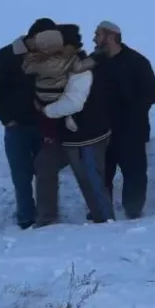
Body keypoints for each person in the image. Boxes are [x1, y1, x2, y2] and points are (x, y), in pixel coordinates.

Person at [32, 24, 116, 226]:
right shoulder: (61, 63)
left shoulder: (80, 68)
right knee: (44, 166)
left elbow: (74, 103)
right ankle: (46, 219)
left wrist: (45, 111)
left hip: (86, 137)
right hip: (65, 134)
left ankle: (106, 224)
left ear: (68, 46)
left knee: (90, 181)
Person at [0, 17, 57, 229]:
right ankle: (26, 216)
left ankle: (47, 216)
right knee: (21, 175)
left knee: (46, 173)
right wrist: (7, 119)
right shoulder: (6, 55)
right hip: (17, 128)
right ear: (32, 37)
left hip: (45, 125)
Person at [92, 20, 155, 220]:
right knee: (101, 175)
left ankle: (133, 211)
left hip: (131, 132)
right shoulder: (95, 62)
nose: (94, 38)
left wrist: (131, 112)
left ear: (111, 36)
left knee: (134, 175)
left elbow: (152, 92)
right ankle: (102, 212)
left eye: (98, 34)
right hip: (101, 132)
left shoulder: (137, 62)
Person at [20, 28, 97, 142]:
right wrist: (92, 61)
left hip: (43, 99)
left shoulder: (35, 60)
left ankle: (51, 135)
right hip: (54, 101)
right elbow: (78, 67)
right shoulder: (66, 62)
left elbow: (73, 103)